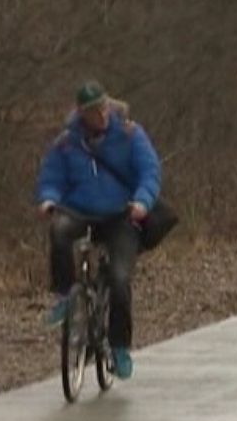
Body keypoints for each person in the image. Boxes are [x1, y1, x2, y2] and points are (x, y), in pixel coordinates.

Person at [34, 80, 161, 380]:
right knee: (60, 232)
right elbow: (51, 176)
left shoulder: (130, 135)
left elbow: (149, 172)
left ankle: (119, 346)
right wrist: (48, 198)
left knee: (119, 279)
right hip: (80, 209)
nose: (101, 115)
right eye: (93, 111)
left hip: (121, 214)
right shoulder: (67, 142)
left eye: (103, 108)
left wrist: (142, 201)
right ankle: (66, 296)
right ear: (81, 114)